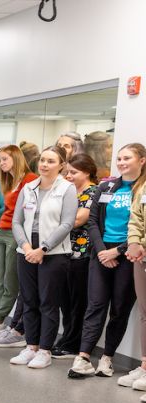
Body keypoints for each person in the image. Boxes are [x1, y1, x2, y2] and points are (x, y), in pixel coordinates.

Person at [68, 143, 146, 379]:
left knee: (119, 309)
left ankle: (107, 358)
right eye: (119, 158)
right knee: (95, 305)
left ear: (142, 161)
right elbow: (92, 221)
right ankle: (83, 357)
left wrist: (118, 252)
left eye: (127, 158)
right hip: (101, 253)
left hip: (129, 255)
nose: (121, 163)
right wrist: (103, 251)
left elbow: (140, 227)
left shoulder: (142, 189)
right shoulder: (106, 186)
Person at [8, 146, 77, 369]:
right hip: (26, 253)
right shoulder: (28, 187)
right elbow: (17, 222)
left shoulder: (67, 189)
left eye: (50, 161)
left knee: (48, 303)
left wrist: (43, 249)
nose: (44, 165)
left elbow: (67, 223)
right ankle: (31, 346)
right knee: (29, 301)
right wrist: (26, 247)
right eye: (42, 160)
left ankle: (45, 350)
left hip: (54, 254)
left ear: (61, 165)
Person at [0, 145, 37, 335]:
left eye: (5, 159)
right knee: (0, 277)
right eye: (0, 160)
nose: (1, 163)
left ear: (16, 158)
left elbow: (29, 211)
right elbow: (6, 209)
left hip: (16, 233)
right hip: (1, 232)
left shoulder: (30, 179)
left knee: (10, 279)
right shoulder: (8, 181)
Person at [52, 153, 99, 358]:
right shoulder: (68, 191)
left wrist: (55, 222)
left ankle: (72, 344)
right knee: (65, 301)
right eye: (67, 172)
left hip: (82, 255)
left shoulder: (93, 192)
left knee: (78, 301)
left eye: (74, 172)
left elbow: (78, 220)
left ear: (87, 172)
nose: (68, 176)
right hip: (63, 252)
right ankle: (66, 338)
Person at [121, 165, 146, 399]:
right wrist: (135, 243)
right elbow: (136, 217)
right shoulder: (144, 186)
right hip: (142, 256)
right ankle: (145, 366)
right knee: (144, 312)